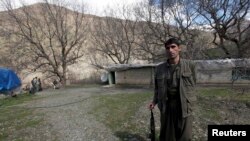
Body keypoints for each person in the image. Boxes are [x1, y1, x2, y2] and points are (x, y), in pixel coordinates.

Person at [148, 38, 197, 141]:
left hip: (184, 105)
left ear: (179, 48)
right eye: (167, 48)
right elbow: (157, 88)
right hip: (167, 105)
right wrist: (154, 101)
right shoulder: (159, 69)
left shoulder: (190, 65)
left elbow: (193, 84)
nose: (170, 50)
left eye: (173, 47)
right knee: (168, 135)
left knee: (185, 135)